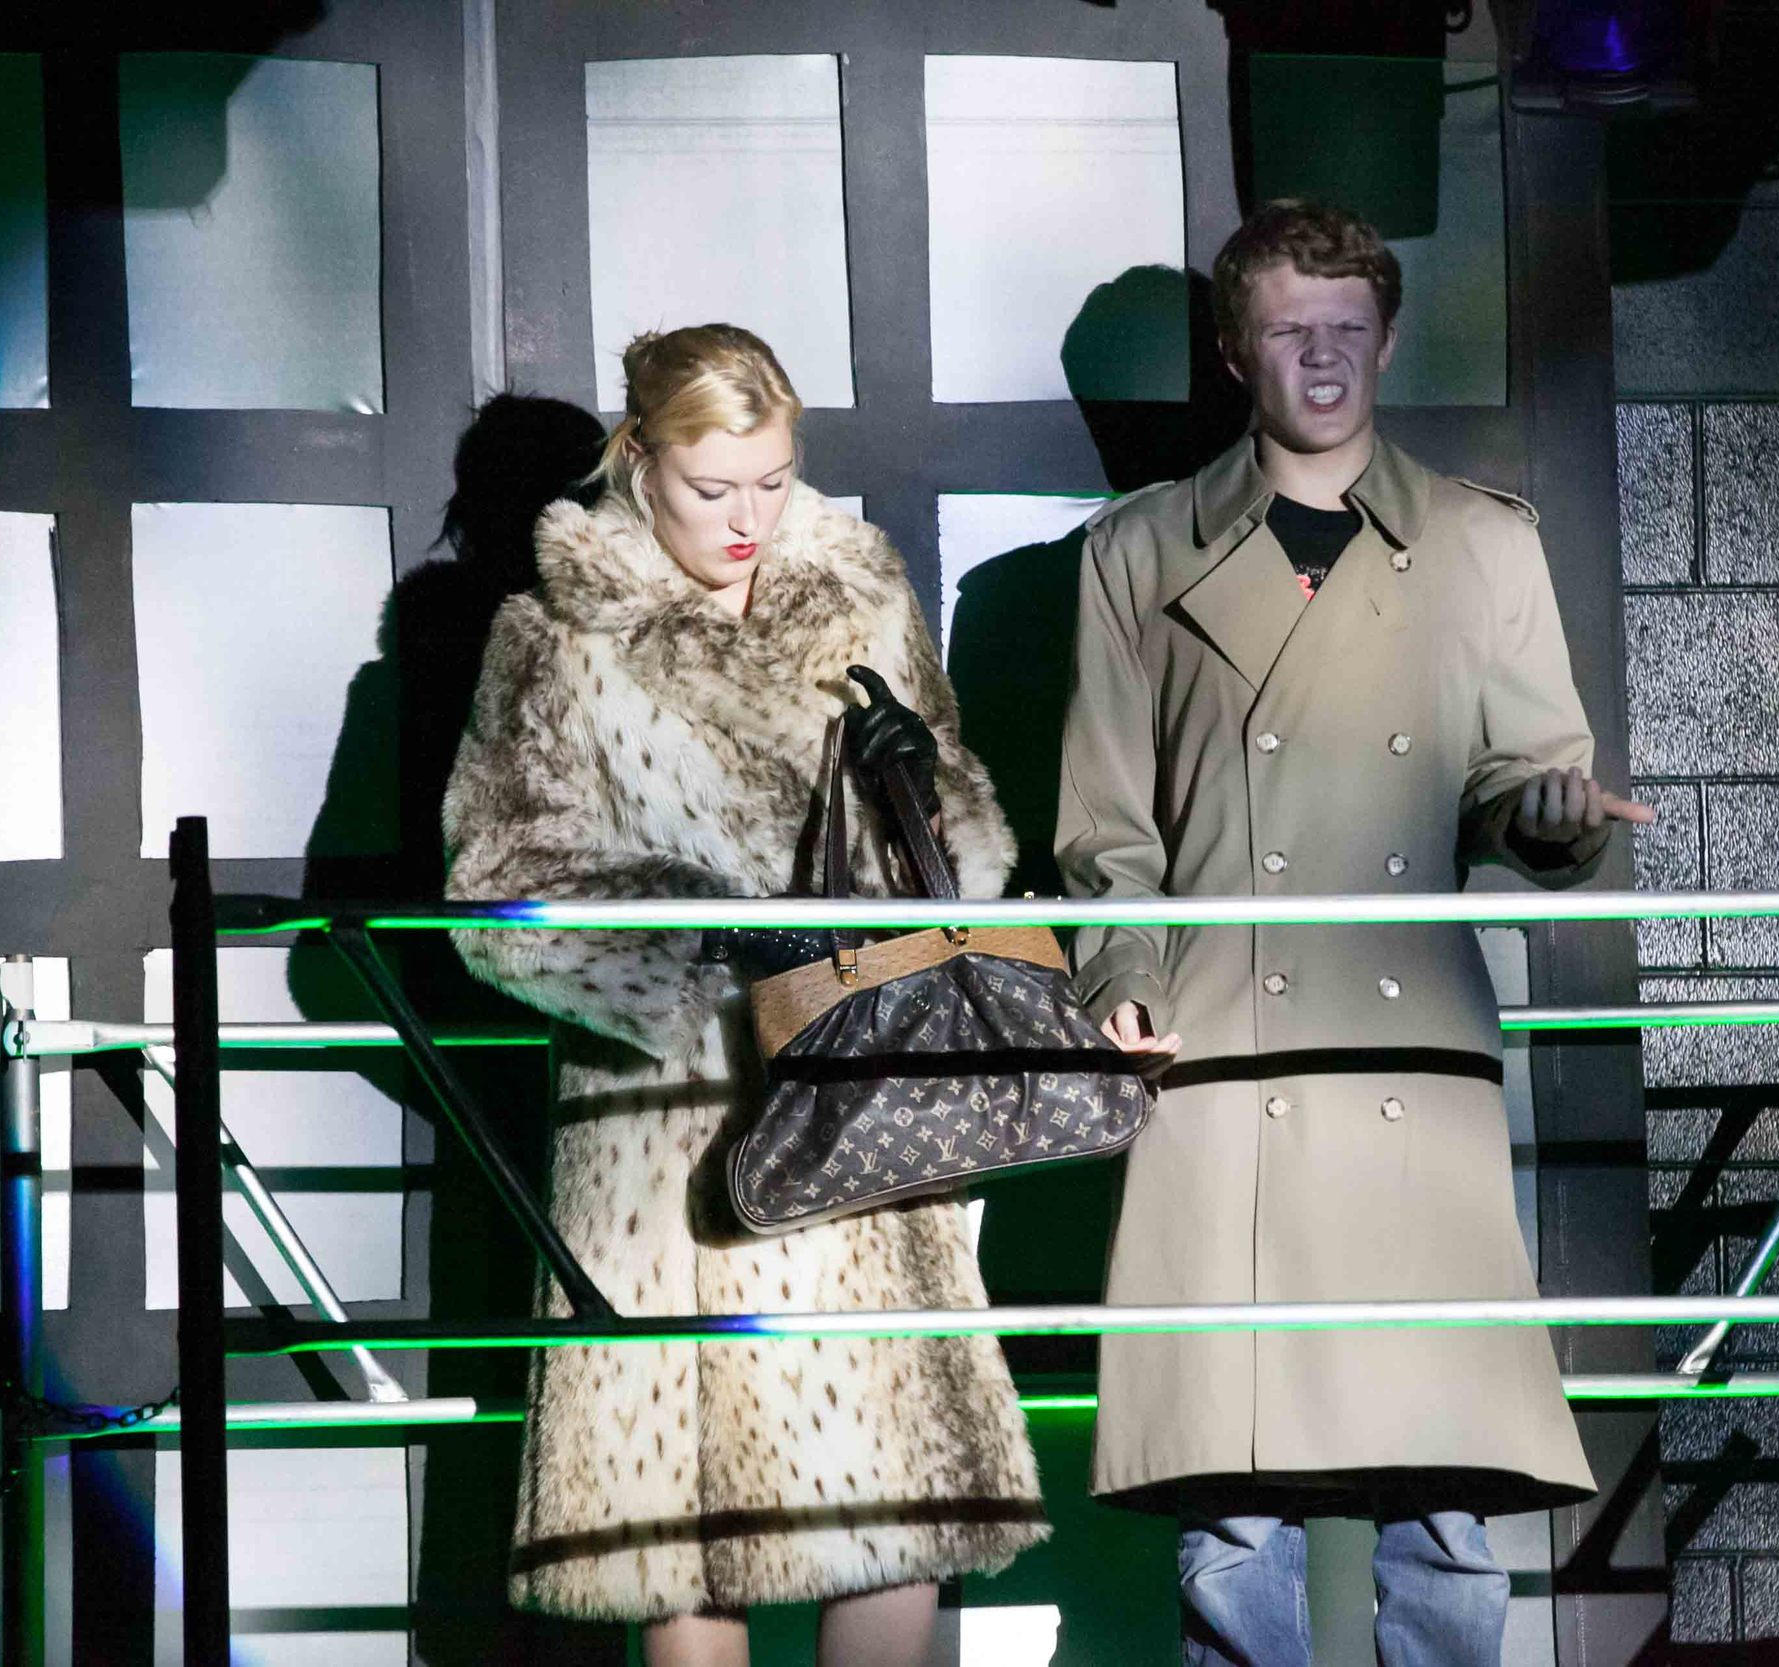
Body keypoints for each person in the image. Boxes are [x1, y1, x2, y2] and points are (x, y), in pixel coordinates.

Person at [1055, 199, 1655, 1665]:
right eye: (1286, 332)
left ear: (1386, 340)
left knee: (1444, 1491)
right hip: (1223, 1050)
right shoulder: (1136, 552)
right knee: (1232, 1505)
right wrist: (1122, 974)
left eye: (1345, 329)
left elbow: (1530, 782)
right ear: (1233, 352)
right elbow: (1106, 833)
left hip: (1403, 1051)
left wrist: (1552, 815)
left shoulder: (1482, 542)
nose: (1320, 359)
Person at [443, 323, 1046, 1667]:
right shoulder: (556, 635)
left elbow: (966, 861)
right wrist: (706, 937)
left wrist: (921, 785)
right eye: (712, 487)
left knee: (898, 1506)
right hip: (674, 1124)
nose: (746, 519)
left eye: (771, 482)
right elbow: (497, 888)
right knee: (689, 1531)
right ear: (639, 460)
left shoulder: (861, 595)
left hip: (856, 1091)